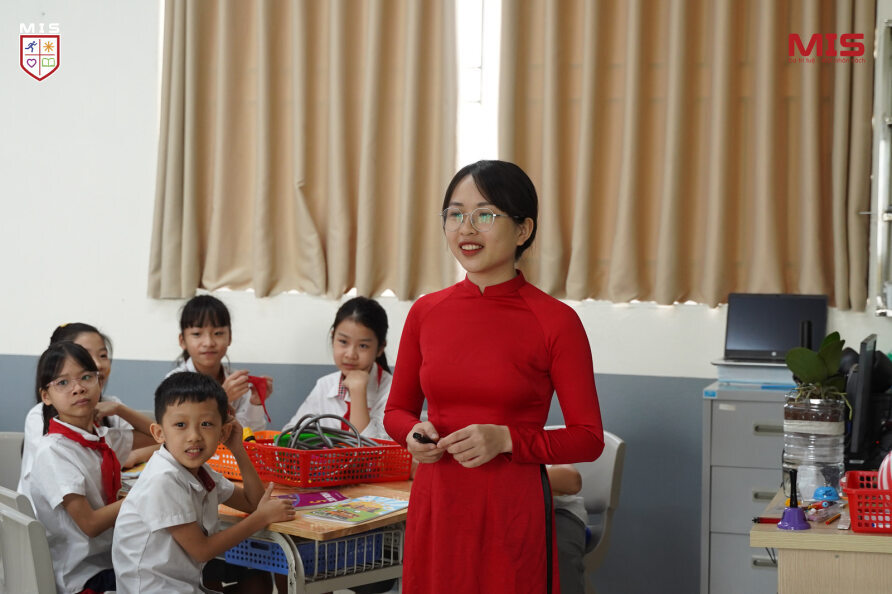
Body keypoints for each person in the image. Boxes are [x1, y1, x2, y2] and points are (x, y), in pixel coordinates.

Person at [383, 160, 604, 594]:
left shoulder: (556, 321)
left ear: (523, 230)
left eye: (484, 215)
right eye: (455, 214)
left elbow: (588, 438)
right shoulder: (426, 312)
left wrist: (507, 439)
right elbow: (396, 411)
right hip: (437, 503)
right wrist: (412, 433)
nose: (466, 228)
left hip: (511, 511)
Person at [112, 371, 295, 593]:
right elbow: (202, 551)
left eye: (206, 424)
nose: (194, 436)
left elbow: (253, 503)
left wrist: (238, 449)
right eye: (181, 424)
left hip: (181, 587)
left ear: (223, 431)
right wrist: (261, 518)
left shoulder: (200, 471)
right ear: (159, 433)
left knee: (257, 582)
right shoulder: (163, 478)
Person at [21, 342, 156, 594]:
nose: (78, 388)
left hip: (114, 560)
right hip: (84, 576)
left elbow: (161, 436)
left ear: (99, 382)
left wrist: (119, 409)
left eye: (86, 377)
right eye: (63, 382)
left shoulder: (100, 437)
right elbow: (91, 524)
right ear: (46, 396)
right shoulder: (53, 452)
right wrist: (146, 493)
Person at [19, 323, 152, 492]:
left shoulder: (108, 417)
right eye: (84, 354)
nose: (98, 364)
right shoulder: (44, 428)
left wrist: (119, 410)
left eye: (103, 355)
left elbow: (160, 436)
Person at [283, 296, 392, 440]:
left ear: (380, 348)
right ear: (333, 337)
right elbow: (289, 435)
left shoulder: (391, 391)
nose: (350, 354)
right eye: (343, 342)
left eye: (363, 346)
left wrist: (358, 392)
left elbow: (374, 450)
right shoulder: (324, 385)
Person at [169, 295, 273, 432]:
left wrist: (255, 403)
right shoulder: (173, 382)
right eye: (197, 334)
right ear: (182, 341)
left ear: (229, 338)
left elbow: (251, 433)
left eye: (218, 333)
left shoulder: (236, 382)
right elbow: (183, 433)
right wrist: (221, 399)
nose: (209, 343)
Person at [548, 464, 588, 594]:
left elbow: (572, 481)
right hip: (510, 519)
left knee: (557, 549)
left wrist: (518, 477)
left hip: (558, 511)